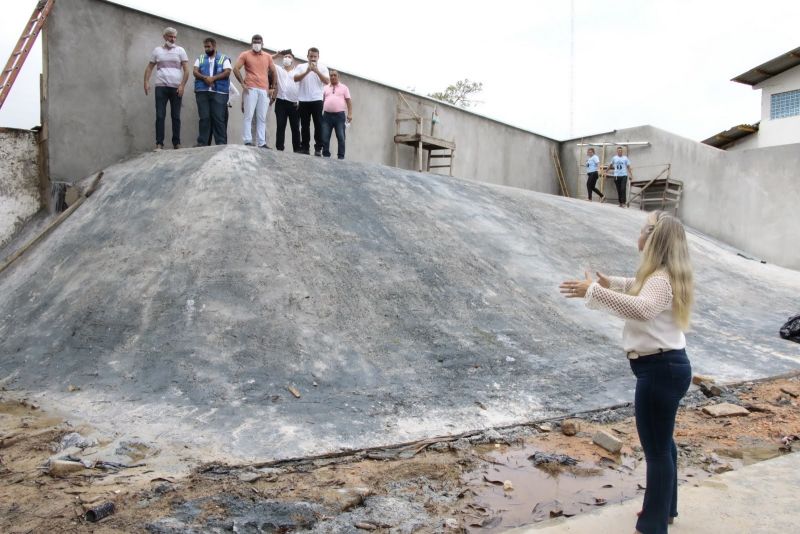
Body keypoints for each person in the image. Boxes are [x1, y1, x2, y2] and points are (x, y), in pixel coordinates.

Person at [559, 211, 694, 534]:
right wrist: (612, 283)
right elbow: (639, 289)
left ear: (653, 237)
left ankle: (652, 524)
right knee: (665, 444)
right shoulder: (663, 276)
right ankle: (666, 509)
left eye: (642, 229)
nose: (638, 234)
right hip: (668, 368)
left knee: (658, 450)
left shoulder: (660, 279)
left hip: (660, 372)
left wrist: (593, 291)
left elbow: (643, 308)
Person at [143, 27, 190, 150]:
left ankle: (177, 143)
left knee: (176, 116)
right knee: (160, 116)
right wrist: (146, 82)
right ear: (164, 37)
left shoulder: (180, 50)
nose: (173, 39)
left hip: (176, 88)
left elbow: (186, 70)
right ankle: (159, 143)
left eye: (174, 37)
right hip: (161, 87)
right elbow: (149, 68)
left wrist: (182, 85)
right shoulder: (157, 51)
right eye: (170, 36)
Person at [233, 34, 278, 148]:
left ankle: (262, 143)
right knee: (248, 115)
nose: (256, 44)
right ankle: (248, 140)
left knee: (261, 118)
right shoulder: (245, 55)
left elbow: (273, 72)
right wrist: (243, 83)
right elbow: (235, 68)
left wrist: (273, 87)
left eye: (259, 42)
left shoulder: (268, 56)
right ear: (251, 43)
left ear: (263, 44)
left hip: (264, 90)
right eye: (254, 42)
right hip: (251, 88)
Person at [193, 37, 231, 146]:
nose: (206, 49)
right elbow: (195, 71)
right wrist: (205, 78)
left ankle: (221, 144)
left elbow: (227, 72)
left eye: (208, 47)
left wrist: (213, 78)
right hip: (203, 91)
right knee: (204, 118)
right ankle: (202, 143)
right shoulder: (200, 58)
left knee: (218, 118)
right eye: (205, 47)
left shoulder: (224, 58)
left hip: (220, 92)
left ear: (214, 46)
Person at [294, 47, 330, 156]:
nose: (313, 58)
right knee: (305, 125)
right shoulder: (301, 66)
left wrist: (316, 71)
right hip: (303, 100)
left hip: (317, 100)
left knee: (318, 124)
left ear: (318, 57)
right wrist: (308, 71)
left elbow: (327, 81)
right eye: (311, 56)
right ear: (307, 56)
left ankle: (318, 148)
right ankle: (305, 147)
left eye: (315, 56)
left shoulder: (323, 68)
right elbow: (295, 78)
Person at [273, 50, 301, 152]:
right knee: (280, 126)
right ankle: (279, 148)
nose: (287, 58)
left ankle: (297, 149)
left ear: (292, 60)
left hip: (294, 104)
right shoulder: (278, 69)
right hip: (281, 102)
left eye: (289, 57)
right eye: (285, 56)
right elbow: (267, 60)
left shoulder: (298, 72)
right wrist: (277, 55)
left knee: (295, 128)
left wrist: (299, 101)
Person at [321, 70, 353, 160]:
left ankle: (341, 157)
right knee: (325, 137)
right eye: (331, 75)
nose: (333, 77)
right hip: (327, 116)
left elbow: (349, 102)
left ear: (338, 76)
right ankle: (326, 155)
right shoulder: (325, 88)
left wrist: (350, 114)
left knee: (341, 137)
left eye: (335, 75)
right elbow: (322, 101)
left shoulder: (344, 88)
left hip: (340, 116)